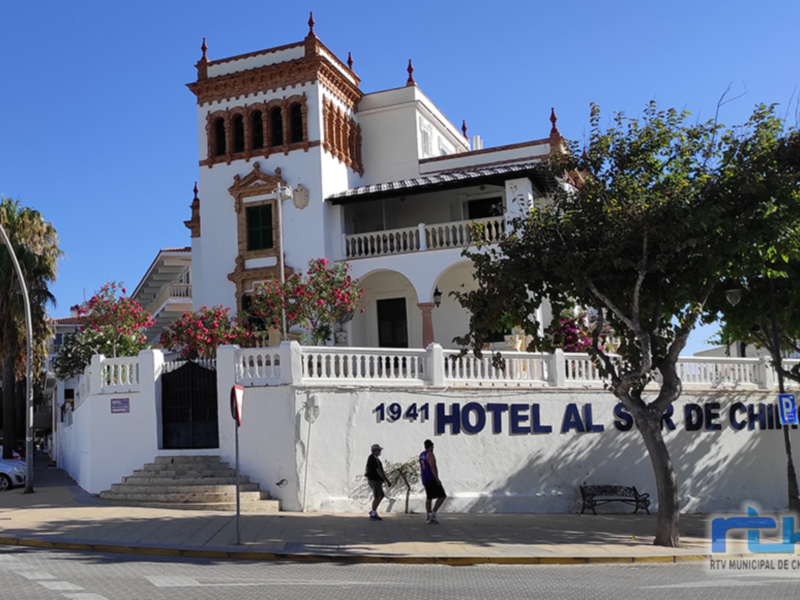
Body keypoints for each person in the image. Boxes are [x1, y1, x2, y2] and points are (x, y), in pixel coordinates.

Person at [420, 439, 446, 523]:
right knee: (442, 495)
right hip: (431, 478)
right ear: (431, 446)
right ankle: (433, 512)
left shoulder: (422, 455)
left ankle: (428, 515)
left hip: (425, 478)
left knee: (429, 497)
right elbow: (432, 466)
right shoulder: (430, 454)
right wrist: (437, 478)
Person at [365, 443, 391, 520]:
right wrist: (387, 480)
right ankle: (373, 512)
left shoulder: (372, 458)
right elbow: (378, 470)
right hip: (375, 480)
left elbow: (367, 467)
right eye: (379, 450)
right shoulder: (373, 458)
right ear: (375, 450)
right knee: (378, 496)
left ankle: (373, 511)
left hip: (374, 480)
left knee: (379, 496)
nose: (380, 452)